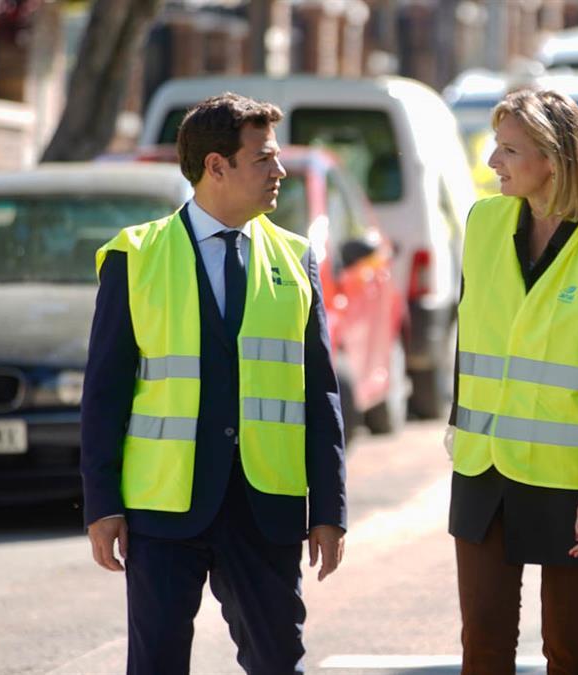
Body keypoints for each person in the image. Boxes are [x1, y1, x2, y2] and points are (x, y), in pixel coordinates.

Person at [80, 93, 347, 675]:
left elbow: (320, 395)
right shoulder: (136, 256)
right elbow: (104, 392)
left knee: (279, 663)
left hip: (266, 507)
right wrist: (102, 504)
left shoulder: (296, 257)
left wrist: (330, 509)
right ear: (216, 166)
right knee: (156, 665)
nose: (279, 171)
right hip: (163, 508)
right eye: (264, 159)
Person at [446, 87, 578, 674]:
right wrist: (456, 423)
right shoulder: (483, 222)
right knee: (483, 645)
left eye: (509, 150)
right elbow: (473, 336)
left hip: (577, 482)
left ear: (554, 159)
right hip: (483, 468)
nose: (494, 162)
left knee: (571, 651)